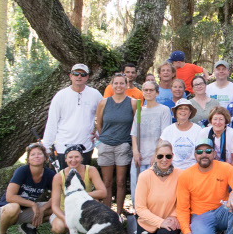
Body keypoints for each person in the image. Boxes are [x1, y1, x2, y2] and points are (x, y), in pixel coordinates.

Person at [176, 139, 233, 234]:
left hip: (222, 210)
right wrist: (186, 232)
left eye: (208, 151)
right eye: (200, 151)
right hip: (200, 215)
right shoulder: (185, 176)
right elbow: (182, 208)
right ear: (195, 155)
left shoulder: (226, 168)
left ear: (214, 153)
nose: (204, 154)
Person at [0, 143, 56, 234]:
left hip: (26, 211)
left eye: (39, 154)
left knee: (57, 206)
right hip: (5, 210)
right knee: (14, 207)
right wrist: (33, 205)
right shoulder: (22, 171)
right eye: (33, 155)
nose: (36, 156)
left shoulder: (49, 174)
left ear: (45, 158)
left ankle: (28, 227)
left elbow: (56, 196)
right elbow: (10, 197)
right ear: (28, 159)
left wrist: (43, 209)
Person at [42, 63, 103, 169]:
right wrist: (46, 146)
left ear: (87, 77)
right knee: (64, 181)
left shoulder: (95, 94)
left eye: (83, 74)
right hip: (63, 147)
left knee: (83, 181)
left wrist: (98, 134)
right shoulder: (60, 96)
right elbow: (52, 122)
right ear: (70, 76)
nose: (79, 76)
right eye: (76, 73)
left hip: (85, 146)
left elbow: (103, 116)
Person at [95, 73, 138, 214]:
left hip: (123, 145)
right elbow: (99, 124)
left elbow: (137, 125)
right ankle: (108, 215)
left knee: (120, 181)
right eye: (116, 83)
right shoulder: (104, 102)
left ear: (126, 85)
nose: (119, 86)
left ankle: (119, 214)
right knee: (106, 182)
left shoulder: (133, 103)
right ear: (111, 85)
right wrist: (104, 138)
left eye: (122, 83)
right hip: (106, 144)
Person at [49, 145, 108, 234]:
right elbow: (54, 205)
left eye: (76, 157)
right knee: (58, 227)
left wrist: (81, 195)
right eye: (70, 157)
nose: (73, 160)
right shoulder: (59, 176)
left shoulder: (90, 170)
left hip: (85, 209)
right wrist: (64, 218)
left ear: (82, 158)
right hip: (65, 211)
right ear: (66, 159)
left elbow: (103, 192)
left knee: (96, 202)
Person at [133, 141, 182, 234]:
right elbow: (140, 208)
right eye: (160, 156)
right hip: (148, 223)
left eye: (168, 156)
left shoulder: (181, 175)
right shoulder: (145, 176)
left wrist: (174, 217)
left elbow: (183, 202)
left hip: (170, 221)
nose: (164, 159)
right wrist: (160, 222)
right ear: (155, 156)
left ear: (172, 156)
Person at [130, 81, 172, 204]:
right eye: (146, 90)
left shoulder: (163, 110)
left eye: (151, 90)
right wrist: (135, 151)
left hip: (155, 158)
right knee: (137, 189)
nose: (148, 92)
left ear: (157, 93)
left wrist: (156, 154)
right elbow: (134, 133)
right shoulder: (140, 110)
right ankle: (138, 215)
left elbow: (164, 134)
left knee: (153, 191)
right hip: (139, 157)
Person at [159, 99, 203, 170]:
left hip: (193, 169)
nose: (183, 111)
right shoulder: (168, 130)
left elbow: (202, 152)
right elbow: (160, 150)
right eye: (180, 108)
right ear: (176, 112)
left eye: (186, 109)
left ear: (190, 112)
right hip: (172, 169)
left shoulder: (198, 130)